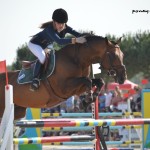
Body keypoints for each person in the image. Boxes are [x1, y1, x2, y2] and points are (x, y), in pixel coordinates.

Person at [28, 8, 86, 91]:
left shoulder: (65, 27)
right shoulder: (49, 30)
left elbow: (77, 34)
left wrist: (88, 36)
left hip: (46, 46)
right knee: (42, 57)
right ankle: (35, 80)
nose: (61, 26)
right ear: (54, 22)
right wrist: (75, 40)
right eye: (59, 23)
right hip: (34, 44)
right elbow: (59, 41)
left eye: (63, 23)